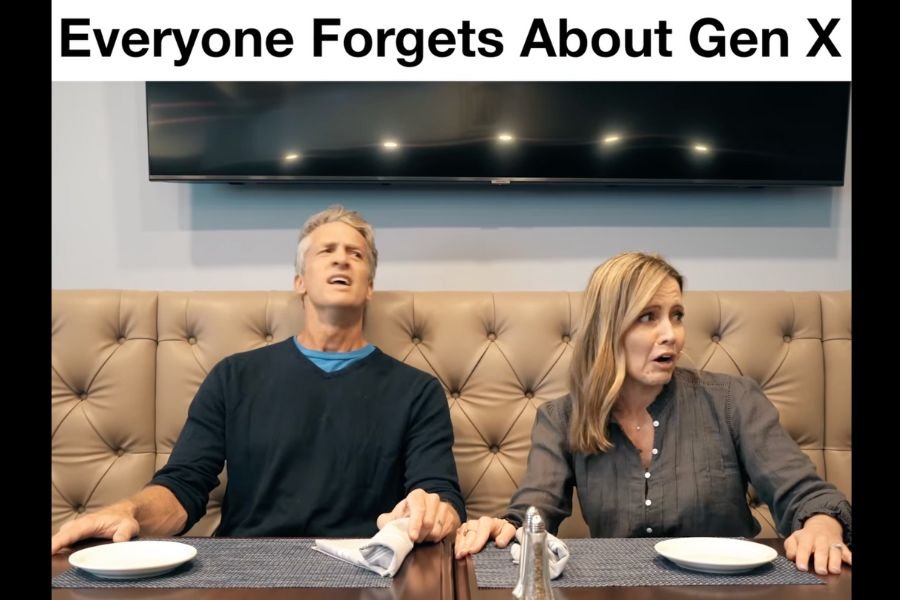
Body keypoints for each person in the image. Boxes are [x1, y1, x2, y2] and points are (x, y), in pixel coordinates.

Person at [52, 205, 465, 554]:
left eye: (356, 254)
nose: (342, 259)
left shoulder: (418, 392)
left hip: (364, 569)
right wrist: (130, 511)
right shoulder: (234, 377)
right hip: (247, 565)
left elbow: (441, 498)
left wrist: (433, 513)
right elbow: (184, 487)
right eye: (327, 251)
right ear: (299, 281)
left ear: (370, 287)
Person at [454, 252, 851, 575]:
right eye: (649, 317)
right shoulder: (561, 418)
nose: (672, 334)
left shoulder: (734, 400)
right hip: (618, 590)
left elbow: (806, 494)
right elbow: (532, 516)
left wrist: (821, 523)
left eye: (676, 315)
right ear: (609, 330)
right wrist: (506, 527)